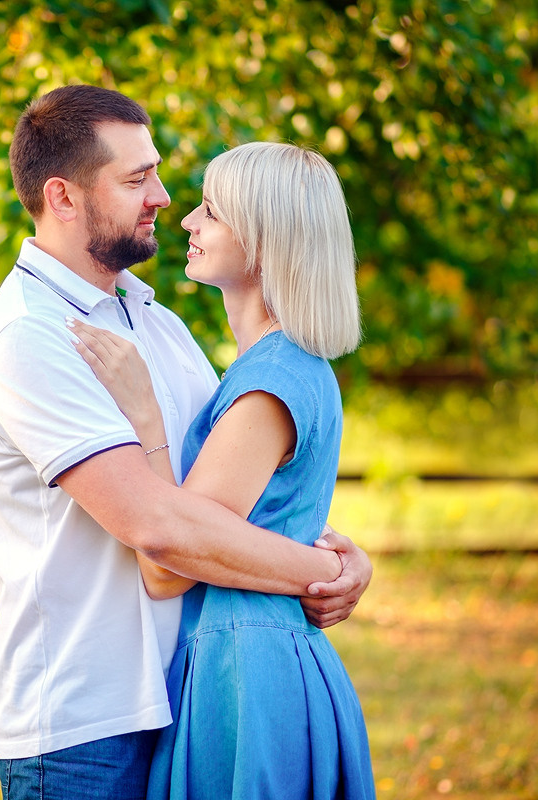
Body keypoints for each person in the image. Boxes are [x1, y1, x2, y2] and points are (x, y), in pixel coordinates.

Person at [0, 85, 372, 800]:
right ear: (63, 197)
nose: (162, 195)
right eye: (135, 178)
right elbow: (162, 529)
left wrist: (337, 549)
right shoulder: (31, 337)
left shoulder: (158, 324)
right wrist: (316, 568)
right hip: (87, 728)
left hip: (188, 695)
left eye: (155, 170)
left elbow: (226, 497)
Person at [69, 141, 375, 798]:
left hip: (246, 667)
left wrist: (146, 417)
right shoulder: (278, 368)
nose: (186, 221)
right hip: (247, 654)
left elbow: (168, 565)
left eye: (211, 210)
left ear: (264, 243)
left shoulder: (271, 381)